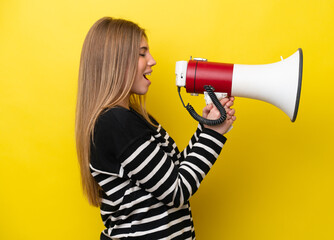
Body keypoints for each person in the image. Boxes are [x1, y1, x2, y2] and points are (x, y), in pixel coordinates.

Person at [75, 17, 236, 240]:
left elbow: (175, 171)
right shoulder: (116, 122)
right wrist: (213, 135)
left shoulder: (132, 118)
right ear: (115, 61)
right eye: (142, 54)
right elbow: (177, 190)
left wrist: (207, 127)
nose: (152, 61)